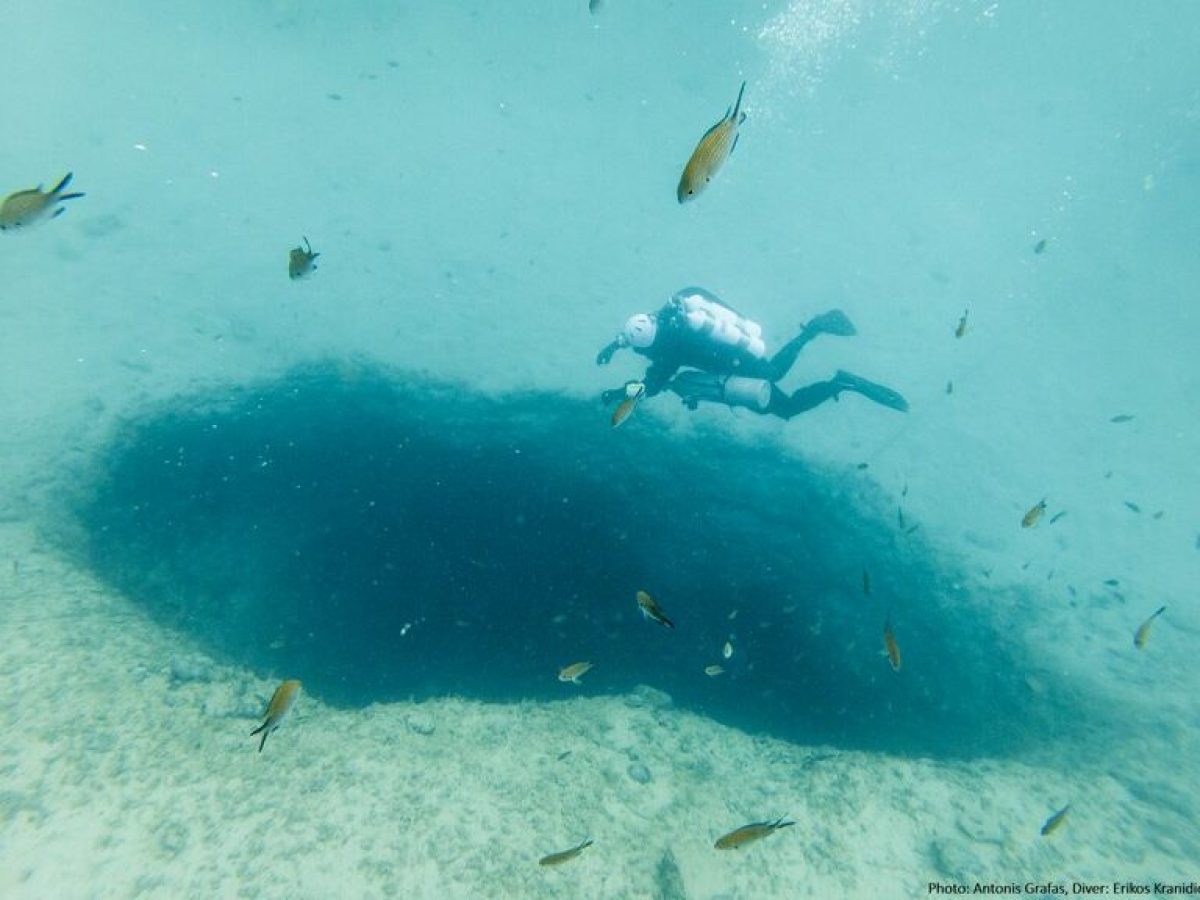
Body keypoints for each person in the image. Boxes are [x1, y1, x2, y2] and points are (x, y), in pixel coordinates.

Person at [596, 286, 908, 419]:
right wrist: (614, 345)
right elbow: (633, 334)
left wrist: (618, 392)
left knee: (783, 402)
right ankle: (815, 335)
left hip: (736, 361)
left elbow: (649, 388)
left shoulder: (668, 352)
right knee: (776, 385)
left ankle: (836, 375)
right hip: (732, 350)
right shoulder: (669, 314)